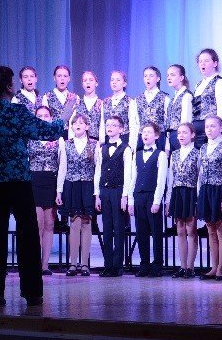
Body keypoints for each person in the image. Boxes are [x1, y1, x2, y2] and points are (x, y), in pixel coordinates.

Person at [0, 65, 66, 308]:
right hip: (17, 181)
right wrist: (64, 118)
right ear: (8, 86)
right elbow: (46, 131)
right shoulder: (16, 111)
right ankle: (32, 292)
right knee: (28, 236)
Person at [56, 113, 98, 277]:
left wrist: (97, 193)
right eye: (75, 123)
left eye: (81, 122)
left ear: (87, 126)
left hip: (87, 186)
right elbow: (62, 168)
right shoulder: (66, 144)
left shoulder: (94, 144)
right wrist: (59, 190)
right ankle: (73, 263)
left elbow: (97, 169)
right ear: (71, 126)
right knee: (74, 224)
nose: (78, 125)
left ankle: (85, 264)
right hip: (72, 185)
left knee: (86, 223)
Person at [197, 115, 222, 281]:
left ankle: (221, 268)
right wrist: (199, 193)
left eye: (213, 126)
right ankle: (214, 266)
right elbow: (200, 172)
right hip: (206, 190)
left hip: (219, 190)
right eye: (207, 126)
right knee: (210, 229)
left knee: (221, 228)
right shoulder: (203, 147)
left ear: (221, 128)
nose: (209, 129)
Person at [94, 115, 132, 277]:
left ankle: (117, 266)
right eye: (108, 125)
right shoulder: (102, 148)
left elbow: (128, 173)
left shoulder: (126, 149)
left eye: (114, 125)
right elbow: (98, 171)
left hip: (118, 190)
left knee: (118, 229)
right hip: (105, 191)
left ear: (121, 129)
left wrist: (125, 195)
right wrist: (97, 194)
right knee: (107, 229)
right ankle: (108, 265)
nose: (110, 127)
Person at [29, 106, 65, 276]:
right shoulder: (29, 138)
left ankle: (45, 265)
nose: (43, 118)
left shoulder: (58, 139)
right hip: (34, 182)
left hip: (51, 182)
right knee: (37, 224)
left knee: (49, 224)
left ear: (51, 118)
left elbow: (62, 166)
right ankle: (35, 263)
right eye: (39, 116)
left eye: (46, 116)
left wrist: (59, 190)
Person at [128, 122, 168, 277]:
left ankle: (157, 264)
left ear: (156, 136)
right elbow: (133, 178)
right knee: (141, 231)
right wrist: (131, 200)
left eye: (149, 132)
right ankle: (144, 264)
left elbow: (161, 179)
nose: (145, 135)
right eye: (143, 132)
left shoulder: (161, 155)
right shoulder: (137, 154)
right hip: (139, 195)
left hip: (152, 196)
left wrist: (157, 201)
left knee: (156, 231)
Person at [164, 123, 199, 279]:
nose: (181, 136)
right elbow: (171, 178)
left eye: (185, 132)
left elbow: (199, 176)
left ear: (192, 135)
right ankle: (182, 266)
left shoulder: (197, 153)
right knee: (180, 230)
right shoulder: (175, 154)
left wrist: (198, 198)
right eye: (179, 133)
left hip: (191, 192)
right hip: (178, 192)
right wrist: (168, 200)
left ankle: (190, 267)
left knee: (191, 230)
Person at [192, 49, 222, 148]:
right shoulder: (198, 85)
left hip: (210, 130)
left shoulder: (220, 82)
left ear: (215, 63)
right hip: (197, 130)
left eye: (206, 61)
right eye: (200, 61)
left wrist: (220, 131)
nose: (202, 64)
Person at [100, 70, 138, 150]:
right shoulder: (105, 102)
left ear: (124, 83)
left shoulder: (130, 101)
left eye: (118, 80)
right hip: (108, 140)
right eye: (112, 80)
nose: (114, 82)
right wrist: (101, 141)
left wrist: (131, 145)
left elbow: (133, 124)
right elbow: (102, 123)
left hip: (124, 140)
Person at [135, 66, 170, 151]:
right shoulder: (138, 99)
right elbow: (136, 122)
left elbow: (168, 122)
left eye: (151, 76)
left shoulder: (165, 98)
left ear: (158, 79)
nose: (148, 78)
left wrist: (167, 144)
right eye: (145, 76)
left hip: (159, 138)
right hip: (142, 138)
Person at [42, 65, 78, 139]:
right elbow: (45, 120)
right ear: (54, 78)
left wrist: (72, 139)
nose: (62, 79)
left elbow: (75, 120)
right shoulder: (47, 97)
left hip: (70, 136)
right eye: (59, 76)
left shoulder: (74, 98)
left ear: (69, 78)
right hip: (53, 136)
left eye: (65, 76)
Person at [164, 64, 193, 152]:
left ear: (181, 78)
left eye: (172, 75)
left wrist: (182, 136)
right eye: (168, 75)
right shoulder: (173, 98)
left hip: (180, 137)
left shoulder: (186, 95)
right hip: (172, 136)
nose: (169, 78)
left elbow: (186, 121)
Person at [71, 70, 102, 141]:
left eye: (91, 80)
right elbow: (72, 123)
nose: (88, 82)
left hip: (96, 141)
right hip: (79, 141)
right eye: (85, 80)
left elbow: (102, 125)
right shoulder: (77, 103)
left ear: (96, 83)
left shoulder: (101, 104)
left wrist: (101, 142)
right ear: (82, 84)